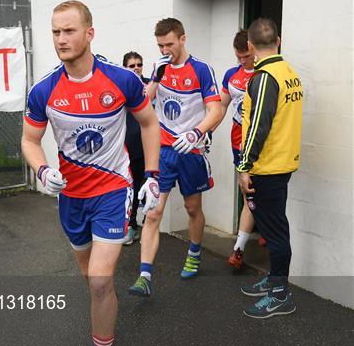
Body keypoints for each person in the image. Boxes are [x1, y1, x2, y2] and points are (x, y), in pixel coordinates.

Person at [21, 0, 160, 346]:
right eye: (55, 32)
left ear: (89, 33)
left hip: (113, 192)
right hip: (72, 199)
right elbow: (30, 141)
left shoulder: (122, 80)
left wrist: (151, 176)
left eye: (68, 31)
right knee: (92, 283)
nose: (61, 39)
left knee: (100, 280)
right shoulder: (44, 89)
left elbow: (149, 123)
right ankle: (105, 311)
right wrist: (43, 170)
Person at [129, 17, 223, 296]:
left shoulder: (202, 69)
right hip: (163, 151)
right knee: (153, 212)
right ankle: (144, 276)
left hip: (190, 150)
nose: (164, 50)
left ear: (183, 39)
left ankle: (194, 252)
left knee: (192, 208)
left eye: (169, 44)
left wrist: (196, 133)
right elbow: (142, 107)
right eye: (160, 45)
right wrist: (155, 78)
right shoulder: (160, 68)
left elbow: (216, 110)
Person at [237, 18, 303, 318]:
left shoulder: (264, 77)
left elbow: (258, 127)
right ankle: (275, 278)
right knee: (276, 225)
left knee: (275, 231)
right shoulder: (289, 72)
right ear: (278, 40)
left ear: (250, 45)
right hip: (281, 164)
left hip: (268, 167)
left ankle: (281, 294)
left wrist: (244, 165)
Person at [221, 30, 258, 269]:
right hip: (238, 143)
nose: (243, 61)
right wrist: (205, 131)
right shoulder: (231, 74)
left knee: (255, 195)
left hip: (260, 145)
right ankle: (247, 239)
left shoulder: (264, 73)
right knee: (248, 194)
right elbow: (221, 106)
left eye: (246, 56)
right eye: (239, 56)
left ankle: (239, 249)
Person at [121, 51, 149, 245]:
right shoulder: (121, 87)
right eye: (132, 66)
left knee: (148, 189)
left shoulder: (151, 85)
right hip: (129, 149)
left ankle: (149, 227)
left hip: (149, 148)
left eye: (139, 64)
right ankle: (131, 227)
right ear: (125, 68)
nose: (137, 67)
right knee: (131, 189)